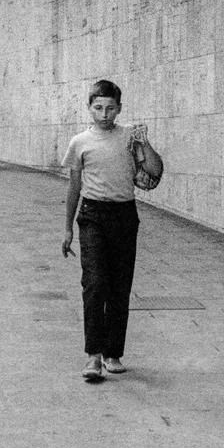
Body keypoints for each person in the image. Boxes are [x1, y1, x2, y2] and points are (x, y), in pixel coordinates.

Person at [61, 79, 163, 382]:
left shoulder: (131, 137)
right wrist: (67, 228)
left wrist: (144, 142)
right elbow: (74, 187)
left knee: (119, 286)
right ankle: (93, 356)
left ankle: (112, 354)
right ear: (89, 108)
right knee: (94, 284)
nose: (104, 114)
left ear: (119, 108)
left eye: (110, 108)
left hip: (124, 215)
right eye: (98, 107)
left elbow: (155, 171)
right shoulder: (80, 142)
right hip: (92, 216)